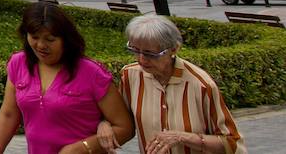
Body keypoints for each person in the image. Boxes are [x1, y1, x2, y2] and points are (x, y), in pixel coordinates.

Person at [0, 2, 134, 154]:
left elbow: (125, 128)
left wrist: (82, 147)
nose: (40, 45)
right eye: (34, 37)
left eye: (50, 39)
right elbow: (9, 114)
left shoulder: (92, 72)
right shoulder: (18, 63)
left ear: (66, 39)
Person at [97, 13, 245, 154]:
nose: (141, 60)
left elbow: (231, 142)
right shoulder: (130, 75)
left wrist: (183, 137)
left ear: (173, 49)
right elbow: (119, 117)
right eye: (135, 50)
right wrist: (104, 124)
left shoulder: (200, 84)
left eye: (150, 54)